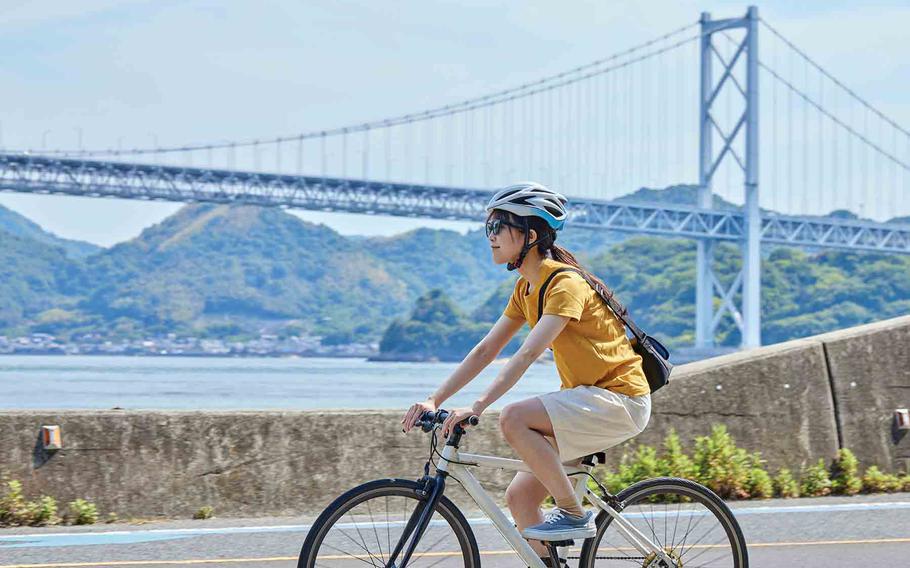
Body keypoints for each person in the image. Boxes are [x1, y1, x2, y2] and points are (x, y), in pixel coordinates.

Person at [401, 181, 651, 565]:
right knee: (520, 498)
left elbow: (529, 352)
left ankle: (571, 512)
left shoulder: (565, 283)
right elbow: (487, 350)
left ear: (530, 235)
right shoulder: (525, 288)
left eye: (498, 226)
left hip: (619, 400)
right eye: (489, 227)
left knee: (514, 417)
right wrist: (436, 399)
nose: (491, 236)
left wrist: (478, 406)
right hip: (587, 402)